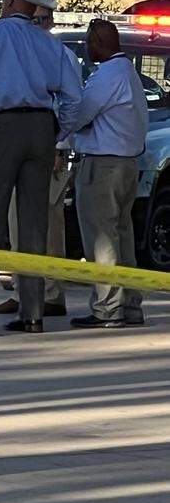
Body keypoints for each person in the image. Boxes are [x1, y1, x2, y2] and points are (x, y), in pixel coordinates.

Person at [0, 0, 81, 334]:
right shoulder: (51, 44)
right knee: (34, 224)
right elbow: (73, 98)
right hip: (42, 128)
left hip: (2, 129)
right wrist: (57, 131)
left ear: (11, 2)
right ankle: (33, 313)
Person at [0, 2, 83, 317]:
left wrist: (60, 143)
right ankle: (22, 290)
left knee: (48, 226)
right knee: (17, 224)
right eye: (30, 19)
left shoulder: (61, 55)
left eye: (39, 20)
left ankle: (51, 293)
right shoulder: (22, 55)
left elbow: (72, 103)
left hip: (50, 150)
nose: (33, 25)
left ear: (49, 21)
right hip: (22, 148)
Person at [69, 19, 149, 328]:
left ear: (100, 43)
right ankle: (130, 304)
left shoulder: (106, 76)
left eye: (90, 43)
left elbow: (81, 115)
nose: (88, 49)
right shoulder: (129, 73)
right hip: (128, 164)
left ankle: (106, 307)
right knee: (122, 236)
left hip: (103, 165)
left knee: (100, 237)